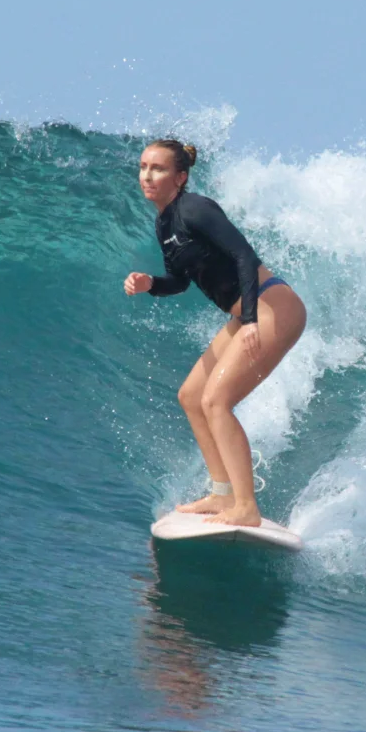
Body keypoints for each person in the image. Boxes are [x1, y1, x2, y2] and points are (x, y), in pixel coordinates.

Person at [123, 139, 306, 527]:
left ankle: (246, 507)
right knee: (191, 396)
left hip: (274, 306)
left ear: (180, 177)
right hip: (248, 313)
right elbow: (180, 281)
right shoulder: (165, 222)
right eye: (143, 167)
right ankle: (223, 496)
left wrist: (253, 319)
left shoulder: (194, 208)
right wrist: (150, 284)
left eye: (157, 168)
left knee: (216, 401)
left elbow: (244, 255)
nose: (147, 175)